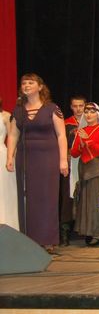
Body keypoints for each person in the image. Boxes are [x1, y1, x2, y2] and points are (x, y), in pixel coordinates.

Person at [6, 74, 68, 253]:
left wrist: (63, 160)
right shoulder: (19, 110)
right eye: (24, 83)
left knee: (47, 198)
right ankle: (30, 239)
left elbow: (61, 135)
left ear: (40, 87)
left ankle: (48, 240)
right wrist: (10, 157)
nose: (26, 85)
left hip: (48, 158)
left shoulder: (52, 108)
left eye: (30, 83)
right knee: (28, 199)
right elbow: (13, 135)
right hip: (26, 158)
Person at [70, 102, 99, 246]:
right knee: (88, 202)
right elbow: (74, 153)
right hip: (85, 169)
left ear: (97, 114)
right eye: (86, 112)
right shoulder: (82, 130)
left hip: (98, 169)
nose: (88, 114)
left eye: (92, 112)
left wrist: (88, 141)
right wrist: (81, 145)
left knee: (98, 201)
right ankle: (93, 232)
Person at [61, 95, 86, 245]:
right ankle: (64, 231)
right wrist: (65, 155)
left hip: (87, 164)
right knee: (67, 197)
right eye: (75, 106)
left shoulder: (91, 121)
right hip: (70, 164)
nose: (78, 109)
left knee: (87, 196)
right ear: (71, 107)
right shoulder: (65, 124)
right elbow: (60, 142)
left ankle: (89, 232)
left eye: (81, 106)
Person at [0, 95, 19, 229]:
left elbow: (13, 137)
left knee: (4, 190)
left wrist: (12, 157)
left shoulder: (6, 116)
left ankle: (7, 224)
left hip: (2, 156)